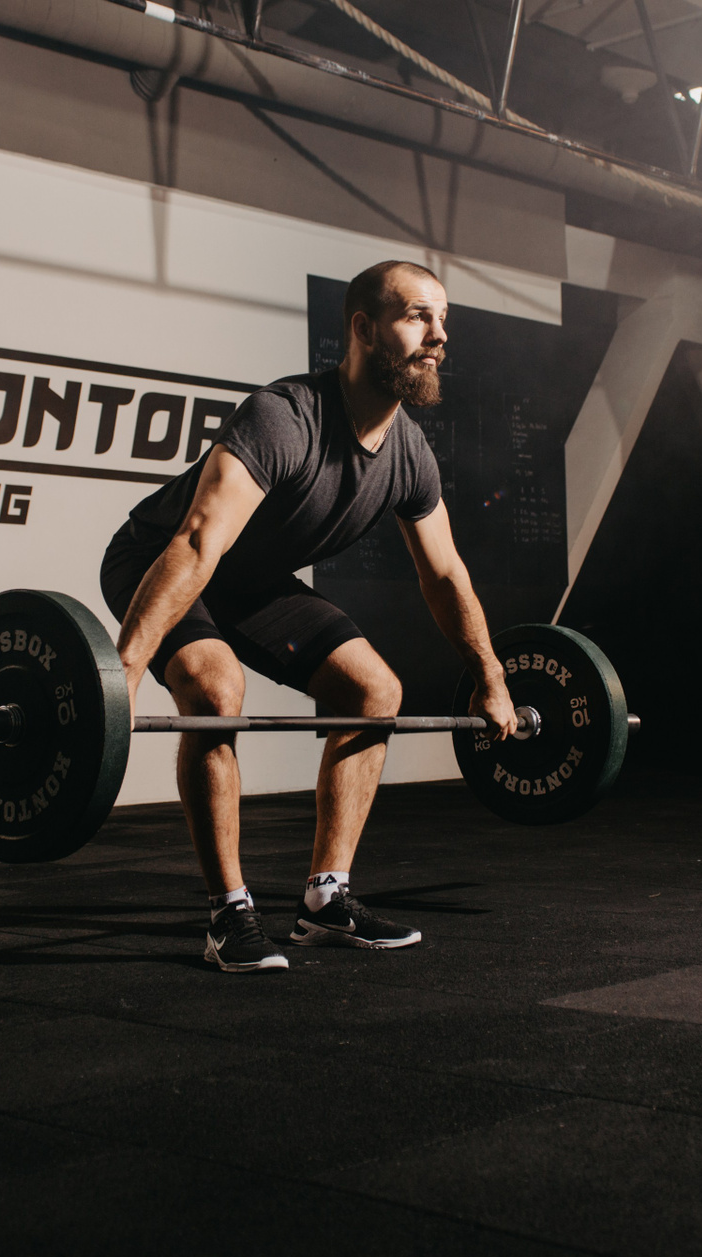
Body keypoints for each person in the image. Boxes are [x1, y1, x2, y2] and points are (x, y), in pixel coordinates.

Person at [100, 261, 519, 972]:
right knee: (215, 691)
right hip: (156, 563)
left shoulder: (409, 453)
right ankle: (228, 912)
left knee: (374, 692)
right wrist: (123, 677)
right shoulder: (284, 417)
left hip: (251, 583)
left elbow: (445, 574)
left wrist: (491, 678)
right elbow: (197, 541)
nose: (439, 335)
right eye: (418, 316)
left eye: (443, 320)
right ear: (364, 329)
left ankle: (326, 901)